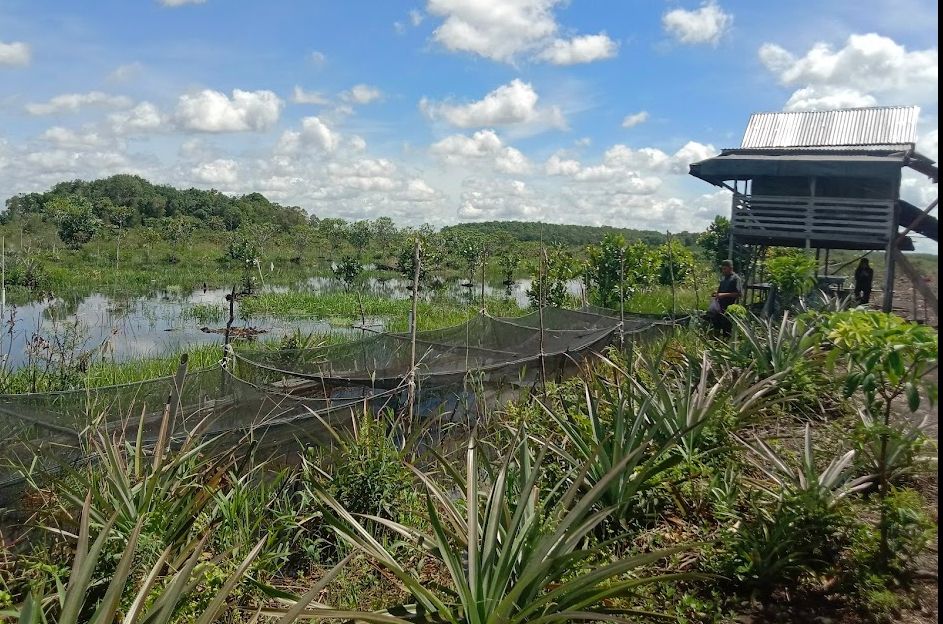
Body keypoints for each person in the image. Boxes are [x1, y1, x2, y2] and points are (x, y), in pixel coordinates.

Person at [707, 259, 743, 334]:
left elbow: (739, 294)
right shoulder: (724, 279)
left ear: (730, 268)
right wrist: (716, 294)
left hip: (730, 308)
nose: (723, 271)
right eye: (722, 269)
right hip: (720, 308)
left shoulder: (736, 279)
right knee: (717, 326)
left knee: (727, 329)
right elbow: (720, 292)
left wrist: (724, 295)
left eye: (725, 269)